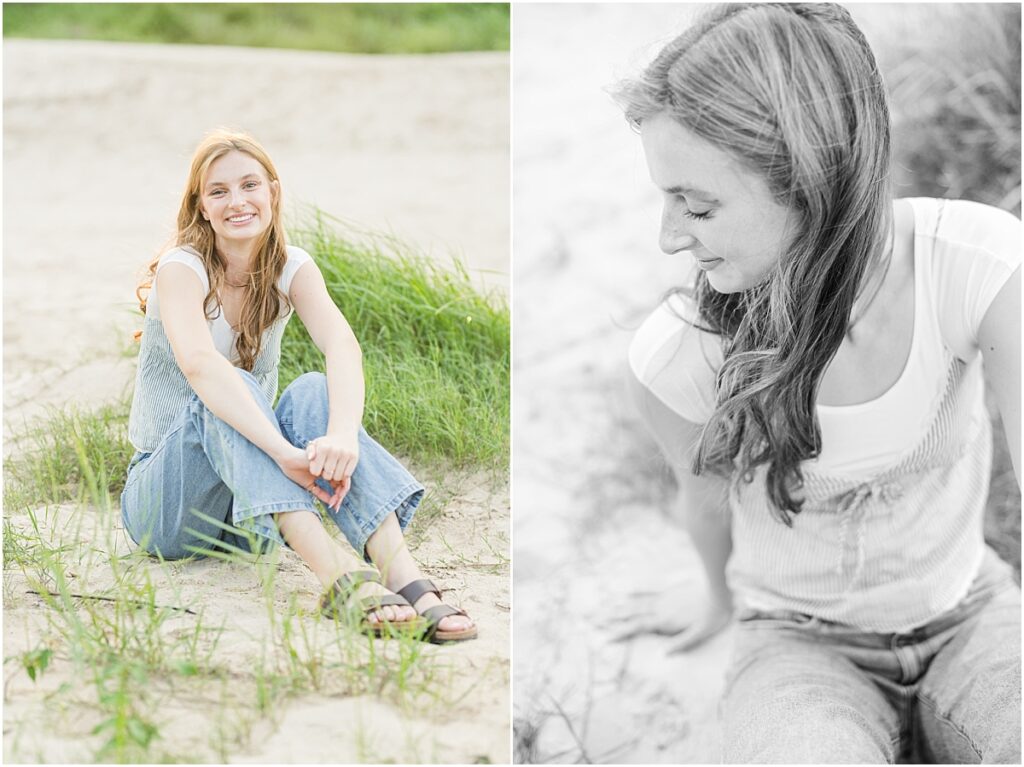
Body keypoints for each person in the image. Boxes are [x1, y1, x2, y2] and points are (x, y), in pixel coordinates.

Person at [618, 3, 1020, 763]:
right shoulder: (679, 358)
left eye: (697, 204)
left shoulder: (981, 268)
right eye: (666, 198)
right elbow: (701, 500)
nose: (670, 236)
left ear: (813, 177)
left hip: (972, 609)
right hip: (798, 648)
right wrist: (714, 599)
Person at [121, 128, 476, 644]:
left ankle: (401, 573)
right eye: (218, 192)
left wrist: (342, 436)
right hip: (165, 509)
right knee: (226, 388)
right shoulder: (184, 269)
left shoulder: (291, 268)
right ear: (201, 207)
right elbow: (200, 365)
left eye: (249, 185)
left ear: (273, 192)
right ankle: (336, 577)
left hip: (247, 523)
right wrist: (284, 453)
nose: (237, 201)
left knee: (312, 388)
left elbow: (342, 347)